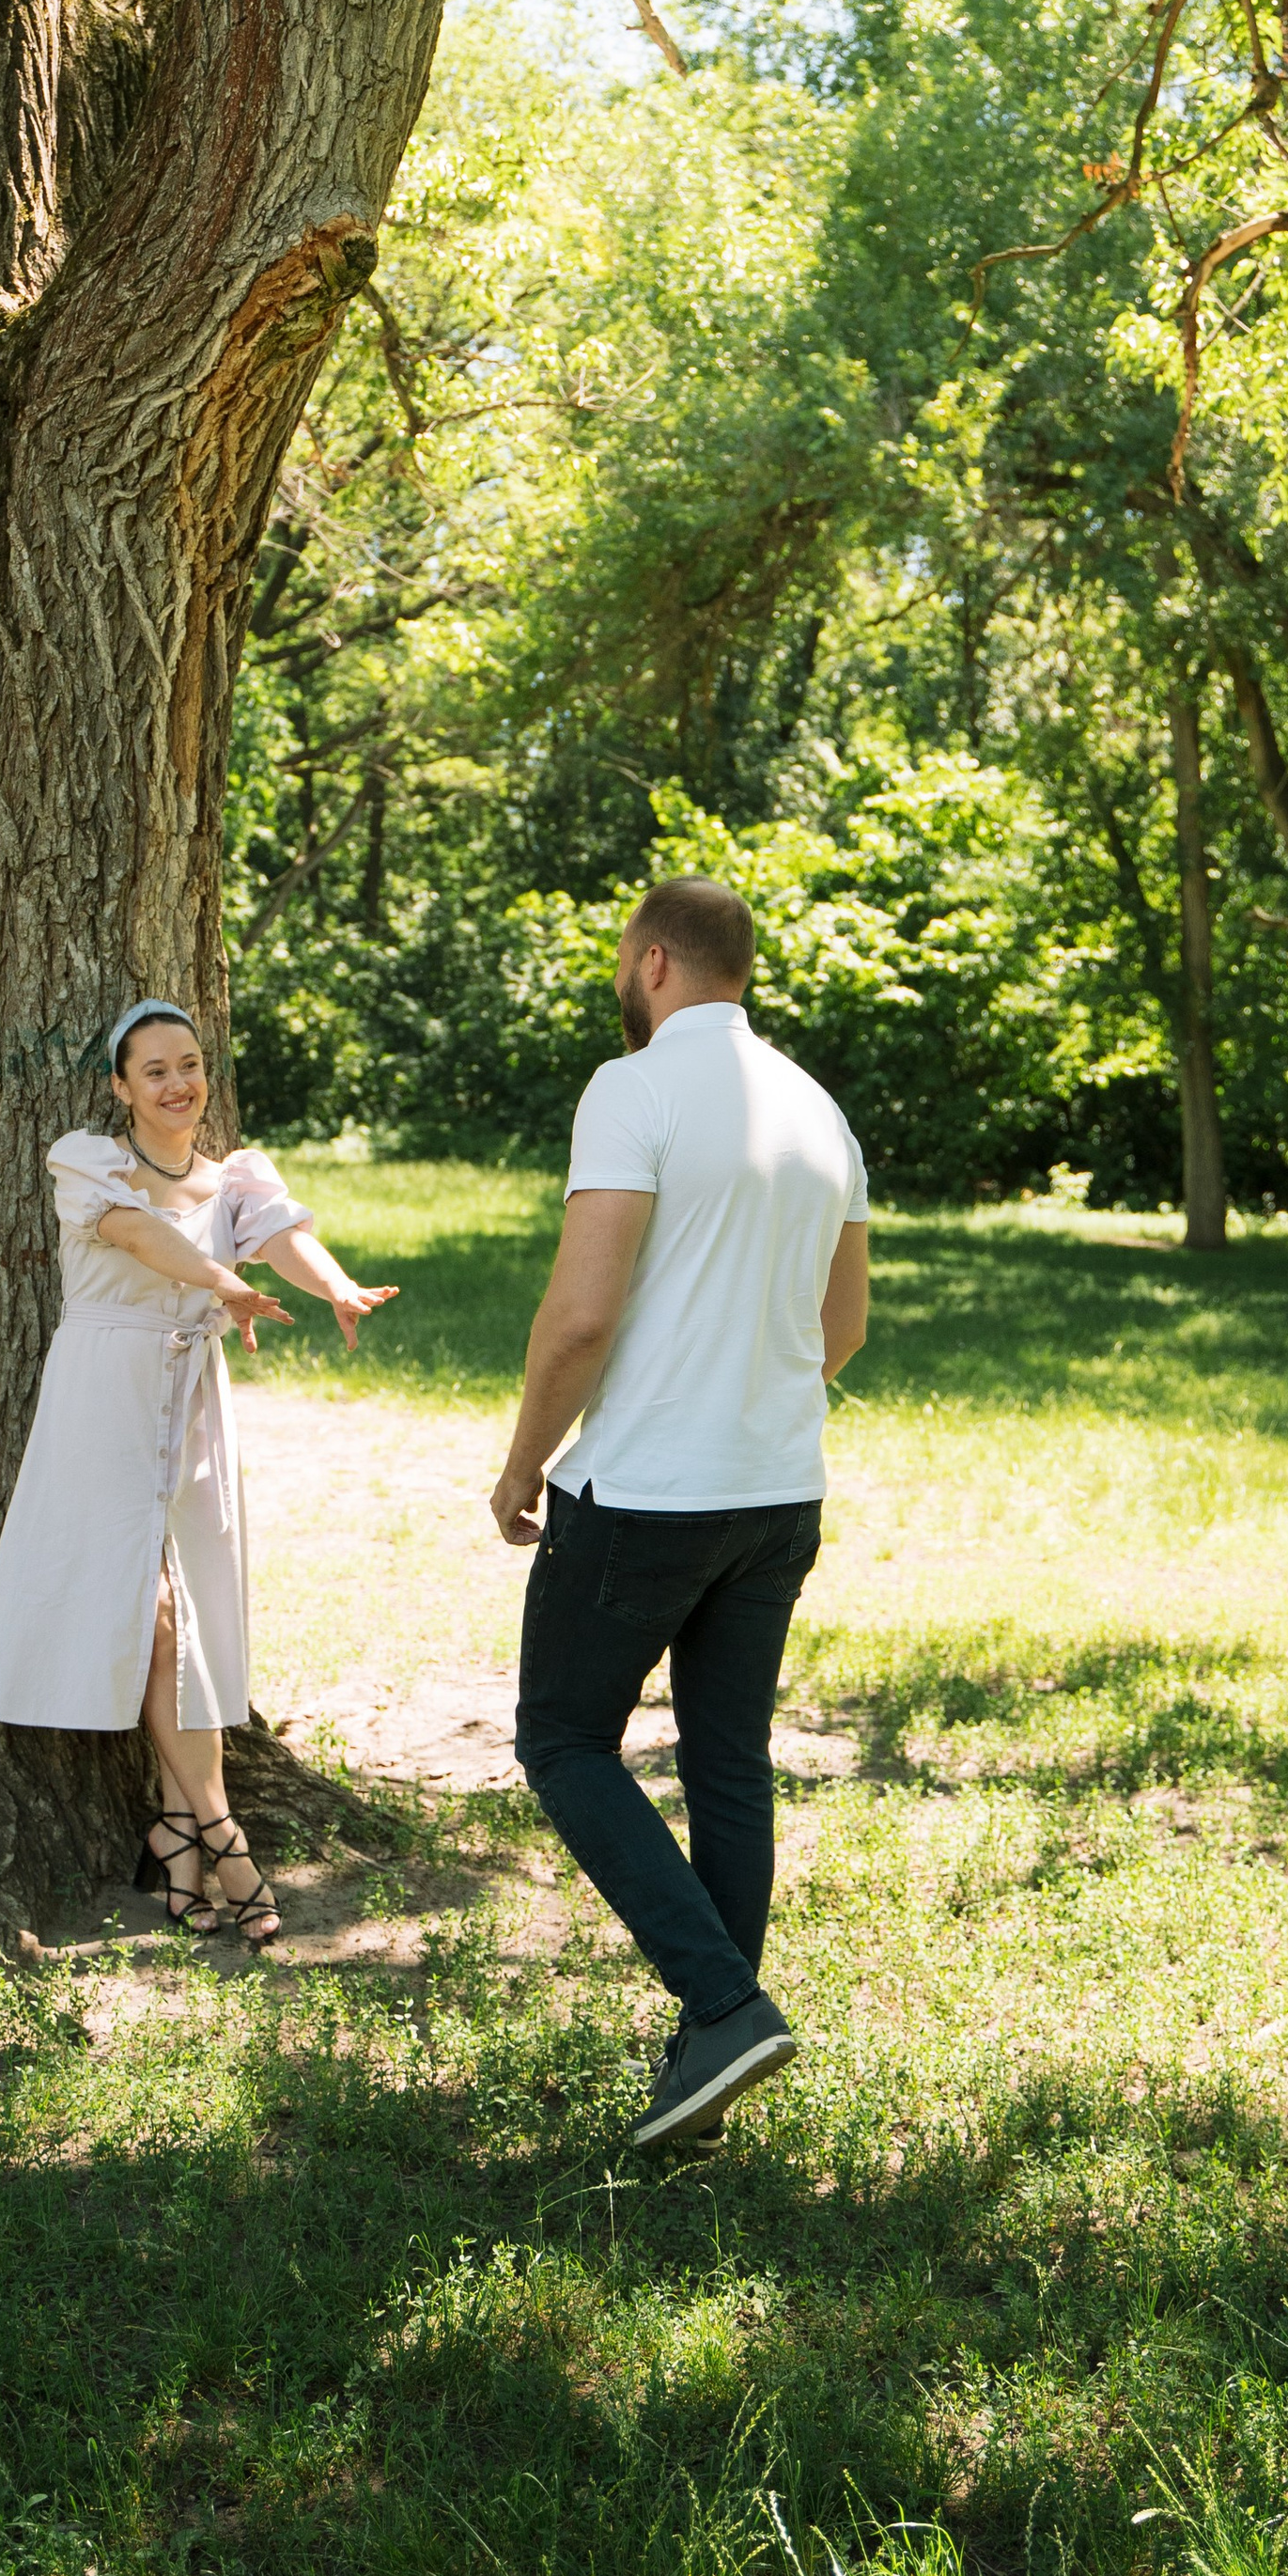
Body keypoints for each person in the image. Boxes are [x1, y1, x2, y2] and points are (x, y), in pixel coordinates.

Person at [490, 878, 869, 2152]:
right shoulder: (817, 1108)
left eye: (621, 958)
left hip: (648, 1493)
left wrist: (522, 1465)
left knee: (564, 1741)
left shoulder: (632, 1088)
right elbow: (843, 1327)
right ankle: (711, 2065)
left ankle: (723, 2007)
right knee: (726, 1765)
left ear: (652, 962)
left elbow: (580, 1317)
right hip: (780, 1492)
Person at [0, 1000, 397, 1942]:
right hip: (103, 1399)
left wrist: (335, 1286)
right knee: (151, 1610)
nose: (177, 1084)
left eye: (190, 1065)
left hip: (194, 1404)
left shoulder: (233, 1176)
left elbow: (283, 1236)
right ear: (121, 1087)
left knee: (187, 1620)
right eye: (154, 1070)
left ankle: (175, 1832)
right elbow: (139, 1237)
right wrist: (223, 1282)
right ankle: (224, 1833)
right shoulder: (90, 1162)